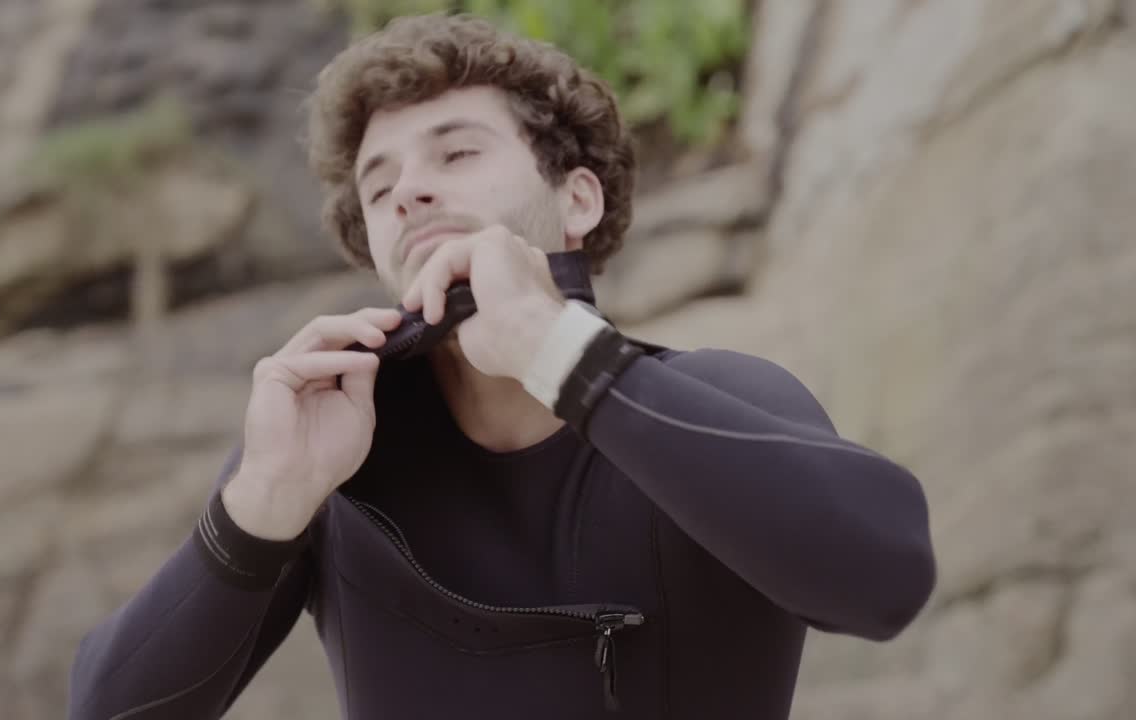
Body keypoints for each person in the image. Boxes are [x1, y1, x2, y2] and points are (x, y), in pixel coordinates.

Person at [67, 13, 936, 720]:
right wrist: (261, 504)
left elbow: (886, 580)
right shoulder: (329, 466)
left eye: (456, 153)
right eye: (379, 186)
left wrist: (562, 355)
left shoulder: (717, 398)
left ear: (578, 199)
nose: (408, 190)